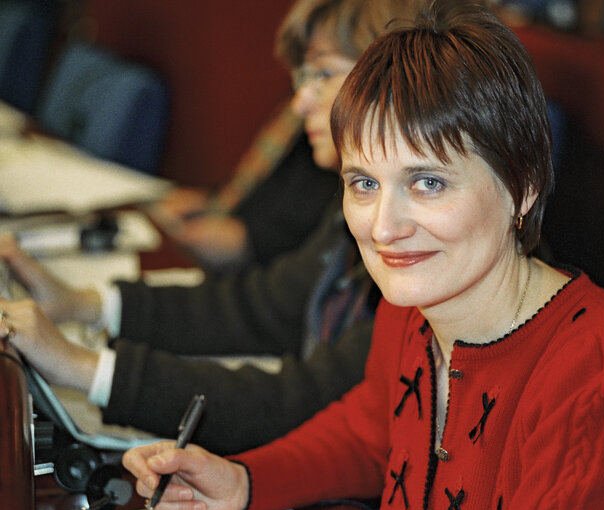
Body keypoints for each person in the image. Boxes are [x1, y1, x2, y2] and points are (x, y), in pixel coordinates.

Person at [120, 3, 604, 510]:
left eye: (427, 183)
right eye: (365, 184)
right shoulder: (416, 308)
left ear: (523, 187)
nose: (384, 228)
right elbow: (371, 432)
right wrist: (245, 481)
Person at [0, 0, 426, 455]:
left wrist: (84, 368)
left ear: (384, 82)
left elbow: (302, 403)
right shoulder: (348, 211)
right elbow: (258, 307)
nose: (300, 101)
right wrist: (86, 305)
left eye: (321, 75)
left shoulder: (408, 247)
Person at [147, 99, 339, 271]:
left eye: (324, 74)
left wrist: (250, 240)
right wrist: (213, 199)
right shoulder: (302, 106)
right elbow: (264, 179)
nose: (299, 102)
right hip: (237, 227)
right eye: (303, 75)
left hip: (261, 264)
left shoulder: (334, 165)